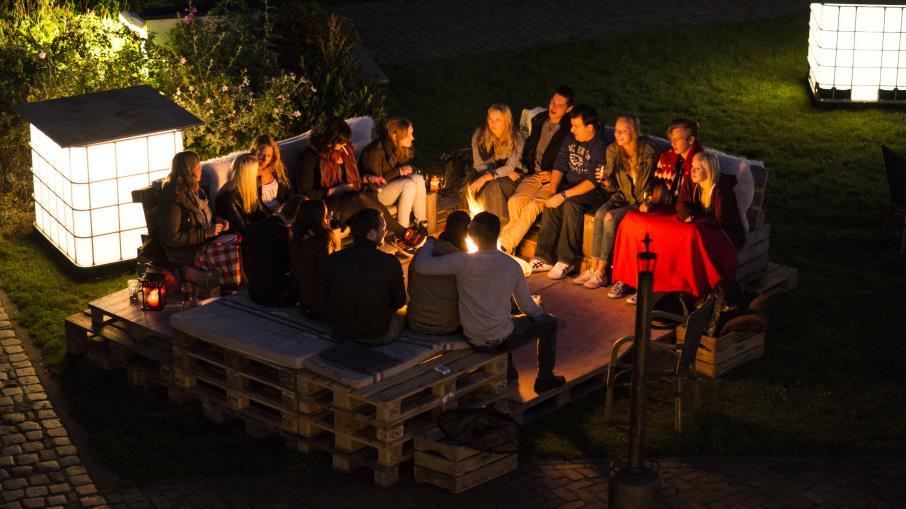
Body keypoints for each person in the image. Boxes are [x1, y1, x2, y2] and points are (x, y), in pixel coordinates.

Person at [412, 212, 566, 393]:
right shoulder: (512, 265)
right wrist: (541, 316)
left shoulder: (462, 261)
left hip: (472, 338)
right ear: (497, 235)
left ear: (471, 236)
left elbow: (421, 265)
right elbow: (528, 308)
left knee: (501, 318)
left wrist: (429, 242)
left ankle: (508, 371)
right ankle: (545, 378)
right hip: (502, 337)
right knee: (547, 323)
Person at [293, 117, 423, 255]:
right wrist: (334, 190)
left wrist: (367, 178)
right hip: (326, 207)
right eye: (340, 142)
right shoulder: (309, 157)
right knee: (361, 198)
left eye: (344, 142)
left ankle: (373, 250)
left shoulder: (345, 151)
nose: (343, 146)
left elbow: (354, 179)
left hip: (349, 198)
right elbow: (305, 194)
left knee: (368, 195)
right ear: (328, 140)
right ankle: (402, 233)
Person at [574, 115, 660, 294]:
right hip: (623, 197)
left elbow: (654, 183)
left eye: (623, 131)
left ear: (634, 132)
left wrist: (647, 201)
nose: (617, 134)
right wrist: (605, 180)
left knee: (609, 217)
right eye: (616, 130)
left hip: (640, 201)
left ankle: (602, 271)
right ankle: (593, 267)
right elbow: (613, 187)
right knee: (599, 213)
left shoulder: (648, 152)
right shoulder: (613, 150)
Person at [528, 105, 609, 280]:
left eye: (576, 126)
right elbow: (559, 165)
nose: (571, 129)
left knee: (571, 204)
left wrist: (563, 195)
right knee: (552, 202)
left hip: (594, 191)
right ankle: (544, 257)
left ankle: (567, 260)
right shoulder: (571, 138)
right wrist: (554, 192)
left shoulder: (599, 146)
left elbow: (593, 181)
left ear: (589, 127)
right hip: (572, 185)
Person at [499, 86, 575, 253]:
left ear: (569, 109)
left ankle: (504, 247)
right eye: (552, 102)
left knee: (533, 206)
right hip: (535, 174)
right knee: (514, 201)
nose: (553, 108)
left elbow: (574, 160)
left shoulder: (570, 129)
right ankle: (510, 247)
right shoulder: (540, 120)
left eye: (559, 105)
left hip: (555, 179)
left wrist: (554, 175)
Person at [325, 208, 407, 344]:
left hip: (340, 329)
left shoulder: (334, 258)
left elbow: (327, 294)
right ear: (372, 233)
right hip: (375, 333)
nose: (386, 232)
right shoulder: (388, 262)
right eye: (383, 228)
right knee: (404, 310)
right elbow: (399, 302)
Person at [158, 151, 227, 266]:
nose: (201, 169)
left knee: (238, 242)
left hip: (204, 244)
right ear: (189, 169)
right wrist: (205, 234)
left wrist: (218, 221)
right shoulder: (174, 197)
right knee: (232, 253)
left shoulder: (196, 191)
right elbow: (171, 238)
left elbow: (204, 216)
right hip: (186, 252)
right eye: (198, 166)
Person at [407, 211, 470, 335]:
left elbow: (410, 288)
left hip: (416, 322)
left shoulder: (421, 254)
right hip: (446, 326)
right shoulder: (461, 261)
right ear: (467, 235)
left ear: (445, 227)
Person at [360, 117, 428, 232]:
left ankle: (421, 225)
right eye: (409, 134)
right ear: (396, 135)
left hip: (389, 189)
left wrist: (410, 169)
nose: (413, 137)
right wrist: (399, 171)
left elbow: (406, 168)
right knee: (408, 184)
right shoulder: (375, 151)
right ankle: (402, 232)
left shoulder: (396, 147)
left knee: (418, 179)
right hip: (372, 196)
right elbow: (375, 184)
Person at [242, 195, 303, 307]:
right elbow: (292, 266)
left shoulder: (255, 227)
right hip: (278, 296)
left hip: (255, 291)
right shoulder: (286, 234)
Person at [676, 151, 745, 250]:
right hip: (702, 225)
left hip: (725, 232)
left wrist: (695, 218)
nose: (692, 171)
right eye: (692, 166)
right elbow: (681, 203)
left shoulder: (721, 190)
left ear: (708, 171)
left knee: (692, 235)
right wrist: (688, 216)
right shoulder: (691, 180)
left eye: (698, 168)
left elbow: (721, 221)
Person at [467, 104, 524, 222]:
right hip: (485, 172)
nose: (493, 123)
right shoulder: (480, 135)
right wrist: (500, 170)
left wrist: (489, 176)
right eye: (490, 119)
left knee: (494, 187)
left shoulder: (516, 138)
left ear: (506, 121)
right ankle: (483, 225)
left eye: (498, 120)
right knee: (473, 188)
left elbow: (511, 167)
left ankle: (497, 224)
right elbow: (478, 165)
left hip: (513, 177)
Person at [291, 199, 340, 320]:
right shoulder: (323, 244)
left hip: (305, 305)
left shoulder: (296, 241)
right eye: (326, 215)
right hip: (321, 308)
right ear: (318, 218)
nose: (329, 219)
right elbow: (327, 278)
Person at [651, 118, 703, 210]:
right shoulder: (666, 158)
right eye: (671, 139)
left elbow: (698, 200)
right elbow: (655, 185)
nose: (672, 144)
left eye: (677, 140)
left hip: (685, 214)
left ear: (691, 140)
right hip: (663, 209)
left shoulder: (701, 165)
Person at [215, 153, 268, 235]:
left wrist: (275, 219)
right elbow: (243, 229)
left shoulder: (250, 186)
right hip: (237, 239)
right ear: (249, 174)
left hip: (251, 231)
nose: (260, 170)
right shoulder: (227, 198)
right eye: (257, 169)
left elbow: (261, 212)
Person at [252, 134, 293, 214]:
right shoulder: (249, 174)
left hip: (285, 214)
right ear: (254, 153)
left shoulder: (278, 170)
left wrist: (285, 206)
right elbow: (253, 208)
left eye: (269, 156)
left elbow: (290, 193)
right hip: (265, 220)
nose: (265, 160)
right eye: (261, 155)